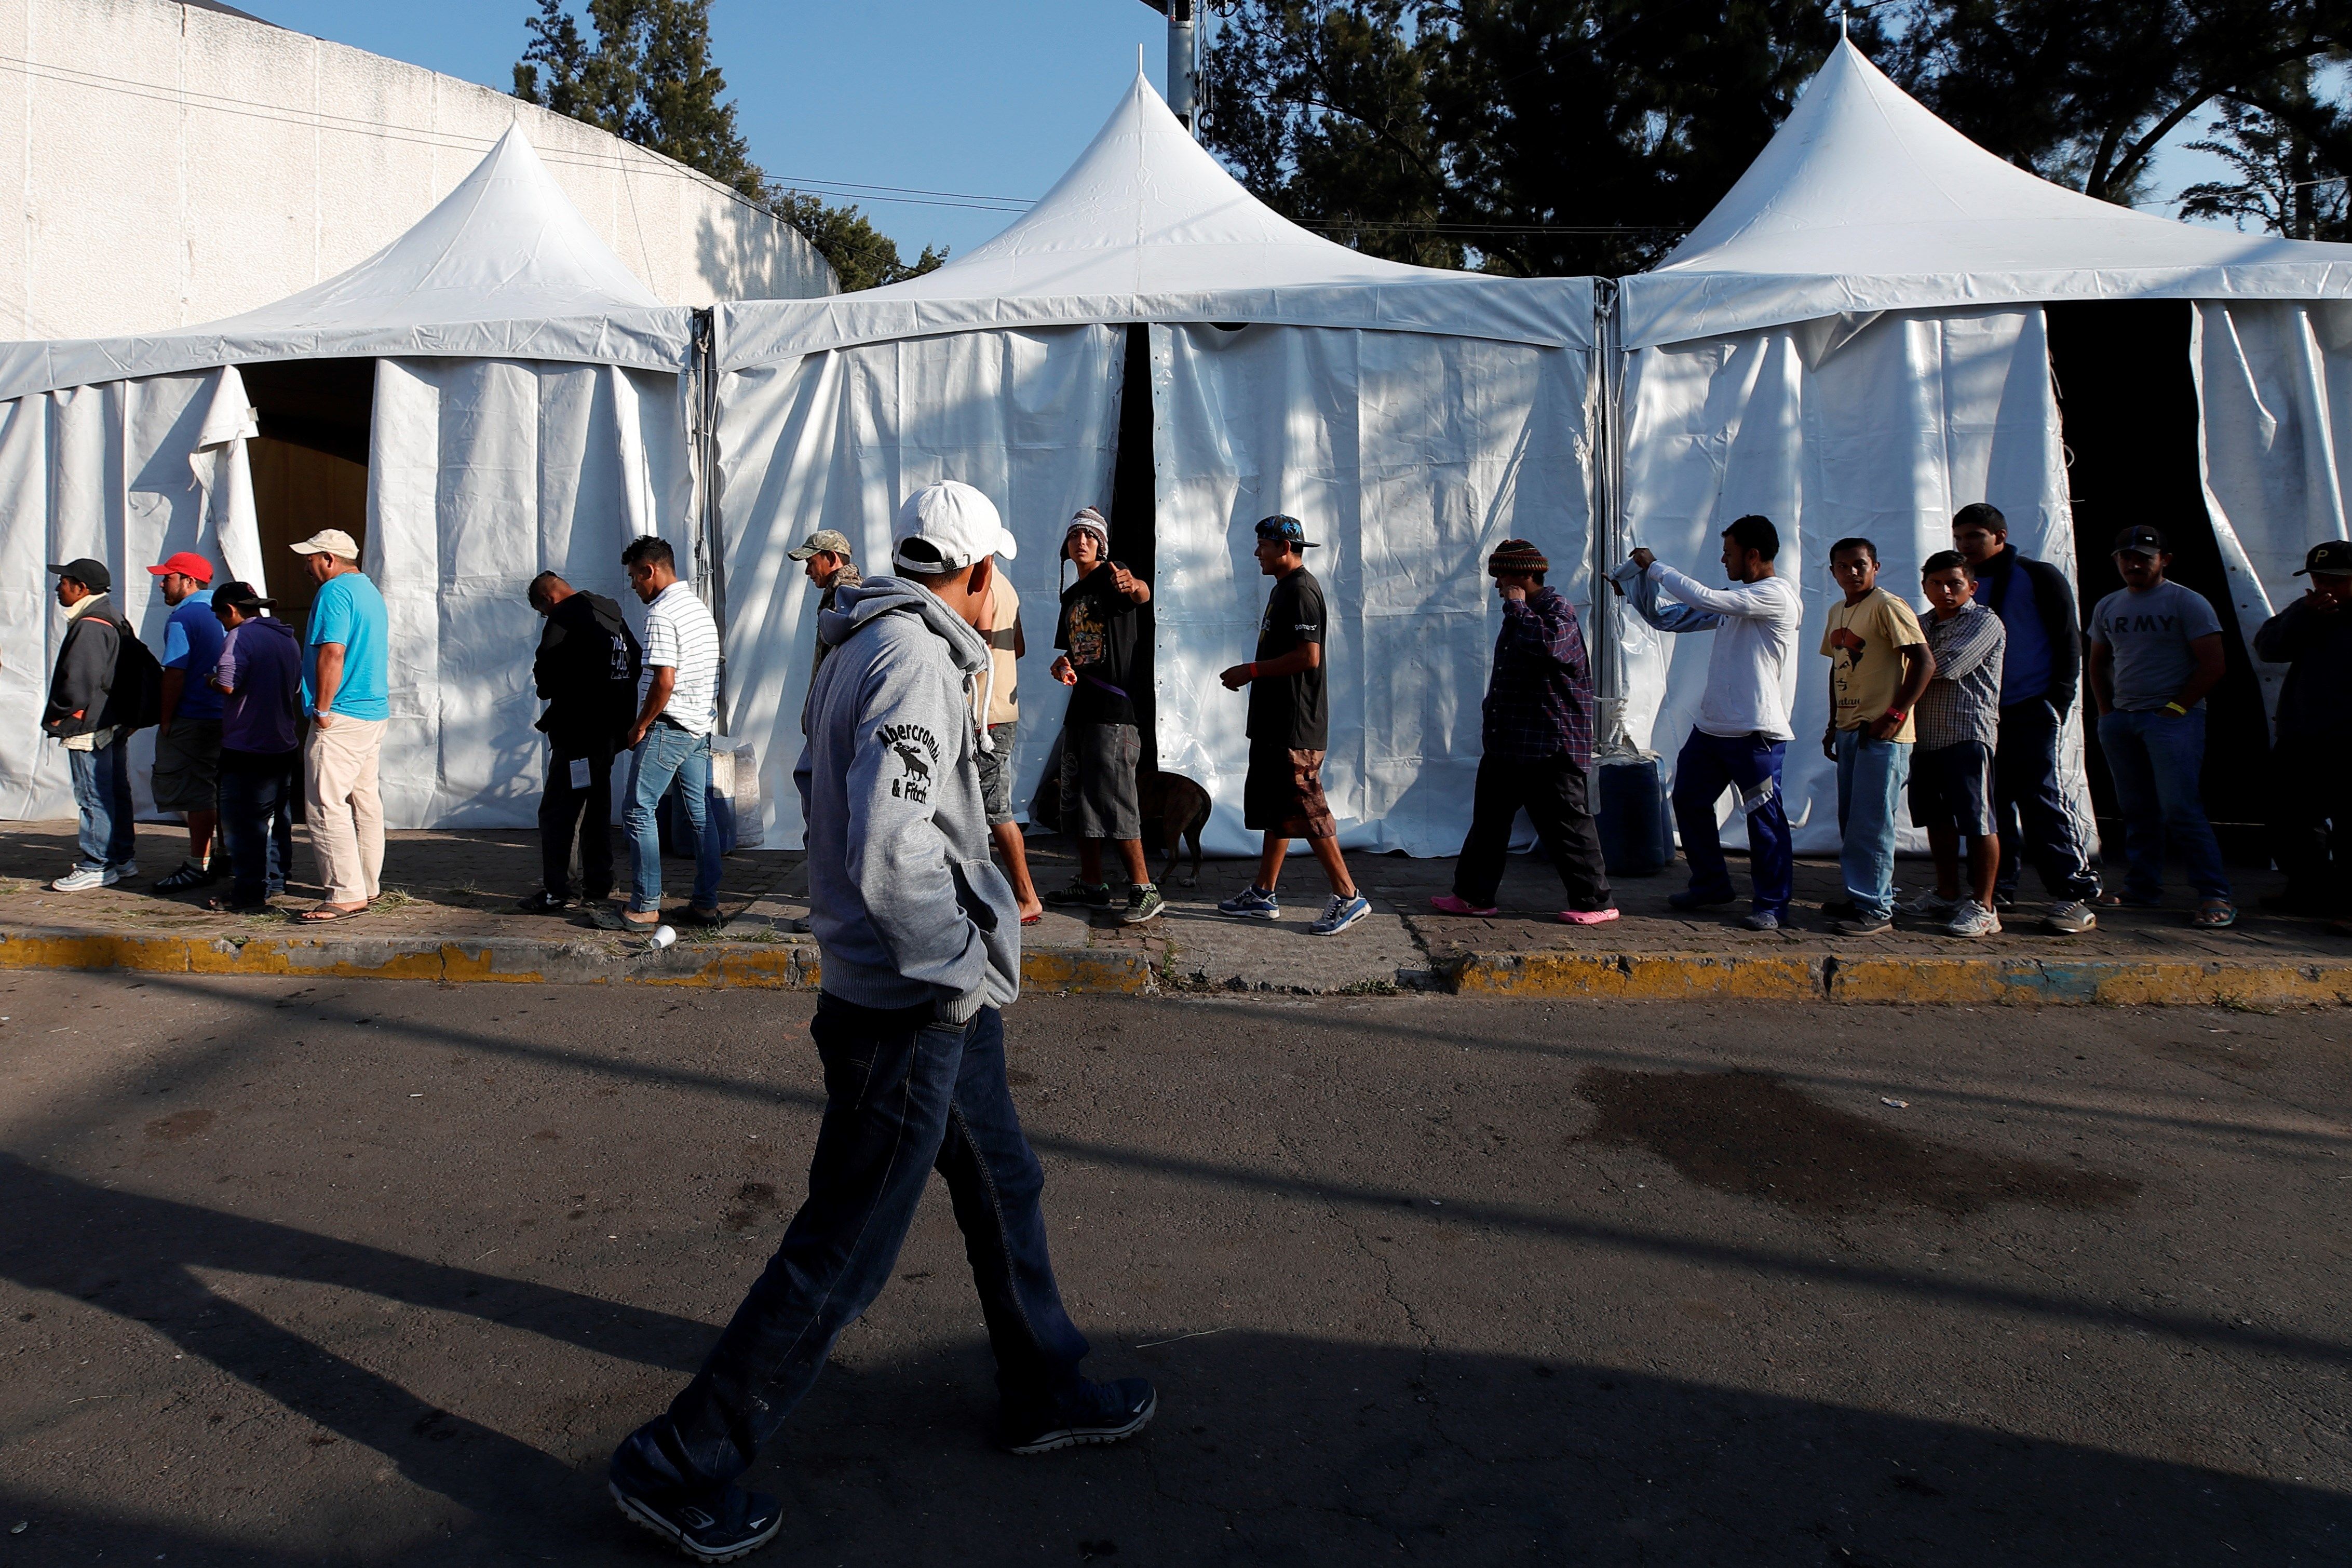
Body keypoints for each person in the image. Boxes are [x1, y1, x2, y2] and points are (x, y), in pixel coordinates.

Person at [605, 480, 1152, 1563]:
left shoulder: (863, 639)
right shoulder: (909, 659)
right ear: (982, 574)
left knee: (1004, 1183)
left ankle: (1046, 1382)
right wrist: (950, 961)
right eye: (1001, 574)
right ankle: (680, 1458)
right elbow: (894, 843)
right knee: (844, 1250)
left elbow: (826, 781)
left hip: (934, 992)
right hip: (912, 1002)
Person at [1619, 517, 1805, 930]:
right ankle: (1711, 884)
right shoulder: (1734, 601)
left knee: (1765, 819)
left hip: (1755, 733)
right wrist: (1636, 588)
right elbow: (1669, 618)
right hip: (1712, 729)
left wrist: (1656, 567)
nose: (1724, 560)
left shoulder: (1775, 596)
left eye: (1729, 553)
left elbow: (1701, 596)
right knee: (1688, 801)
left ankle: (1772, 905)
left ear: (1753, 556)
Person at [1431, 538, 1616, 925]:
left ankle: (1596, 903)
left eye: (1503, 577)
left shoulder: (1556, 610)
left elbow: (1549, 646)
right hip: (1510, 743)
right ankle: (1473, 896)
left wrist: (1517, 607)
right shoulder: (1524, 614)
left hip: (1550, 745)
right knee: (1489, 823)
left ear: (1525, 574)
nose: (1498, 586)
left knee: (1567, 824)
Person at [1216, 515, 1371, 937]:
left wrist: (1251, 670)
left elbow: (1309, 657)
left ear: (1285, 547)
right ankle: (1263, 893)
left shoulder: (1302, 590)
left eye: (1263, 545)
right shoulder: (1283, 589)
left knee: (1308, 807)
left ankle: (1348, 894)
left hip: (1296, 726)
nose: (1256, 553)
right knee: (1278, 809)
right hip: (1274, 723)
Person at [1950, 503, 2100, 934]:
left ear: (2000, 535)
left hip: (2031, 706)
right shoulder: (1964, 584)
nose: (1966, 546)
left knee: (2041, 797)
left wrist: (2059, 698)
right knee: (1989, 805)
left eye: (1975, 536)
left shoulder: (2038, 576)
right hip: (1980, 713)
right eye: (1960, 538)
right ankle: (1998, 889)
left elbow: (2066, 639)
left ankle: (2073, 892)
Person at [2086, 524, 2234, 927]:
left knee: (2180, 808)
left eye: (2143, 558)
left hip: (2171, 721)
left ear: (2164, 560)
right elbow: (2098, 661)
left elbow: (2214, 664)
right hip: (2122, 720)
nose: (2133, 564)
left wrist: (2175, 709)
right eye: (2125, 557)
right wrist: (2107, 711)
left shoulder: (2188, 602)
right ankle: (2143, 887)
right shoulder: (2109, 605)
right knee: (2136, 810)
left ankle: (2213, 894)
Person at [598, 535, 724, 932]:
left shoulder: (661, 614)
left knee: (638, 810)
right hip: (698, 725)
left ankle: (645, 906)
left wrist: (640, 725)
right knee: (700, 816)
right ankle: (706, 905)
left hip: (669, 726)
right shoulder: (698, 608)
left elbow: (664, 681)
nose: (634, 586)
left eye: (636, 577)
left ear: (650, 570)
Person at [1043, 507, 1160, 924]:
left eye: (1091, 536)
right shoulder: (1071, 596)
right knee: (1076, 797)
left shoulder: (1114, 575)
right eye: (1076, 535)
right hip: (1082, 710)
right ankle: (1092, 885)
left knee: (1117, 799)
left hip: (1114, 712)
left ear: (1102, 545)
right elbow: (1071, 652)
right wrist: (1063, 666)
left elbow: (1139, 594)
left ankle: (1145, 889)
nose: (1082, 542)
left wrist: (1137, 584)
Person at [1819, 538, 1935, 936]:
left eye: (1860, 564)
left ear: (1876, 567)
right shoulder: (1838, 612)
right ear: (1832, 571)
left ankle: (1877, 907)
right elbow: (1838, 672)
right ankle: (1859, 894)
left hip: (1883, 732)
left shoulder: (1888, 605)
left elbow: (1924, 662)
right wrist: (1834, 724)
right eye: (1843, 566)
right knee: (1852, 821)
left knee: (1873, 822)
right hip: (1852, 728)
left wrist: (1895, 714)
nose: (1852, 572)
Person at [523, 572, 641, 916]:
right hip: (606, 735)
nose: (547, 619)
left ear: (549, 600)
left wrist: (555, 690)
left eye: (543, 613)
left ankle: (558, 890)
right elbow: (635, 660)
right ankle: (599, 883)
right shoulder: (611, 615)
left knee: (560, 811)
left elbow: (546, 666)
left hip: (577, 735)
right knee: (596, 807)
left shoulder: (566, 615)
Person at [1902, 551, 2007, 937]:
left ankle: (1985, 906)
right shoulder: (1921, 622)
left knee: (1978, 822)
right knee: (1937, 819)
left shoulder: (1984, 621)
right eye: (1936, 584)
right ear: (1925, 586)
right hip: (1925, 737)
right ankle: (1947, 894)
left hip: (1967, 735)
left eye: (1954, 584)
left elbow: (1943, 665)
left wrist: (1908, 664)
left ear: (1971, 587)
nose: (1945, 591)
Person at [292, 529, 389, 923]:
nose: (307, 565)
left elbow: (333, 651)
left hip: (342, 715)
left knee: (325, 803)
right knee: (365, 802)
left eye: (311, 557)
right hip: (371, 712)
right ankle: (367, 886)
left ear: (330, 559)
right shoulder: (369, 590)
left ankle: (345, 893)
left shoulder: (334, 592)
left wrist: (323, 708)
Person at [2252, 540, 2352, 917]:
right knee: (2288, 820)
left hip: (2347, 740)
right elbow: (2267, 646)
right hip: (2303, 735)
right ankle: (2309, 889)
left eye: (2336, 580)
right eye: (2318, 578)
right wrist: (2304, 615)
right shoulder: (2310, 612)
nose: (2325, 586)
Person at [205, 581, 301, 912]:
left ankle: (248, 892)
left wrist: (211, 680)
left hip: (247, 746)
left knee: (244, 822)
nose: (221, 623)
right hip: (283, 742)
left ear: (230, 611)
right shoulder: (285, 637)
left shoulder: (238, 636)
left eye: (220, 616)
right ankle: (275, 880)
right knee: (277, 817)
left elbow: (229, 685)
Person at [41, 558, 136, 890]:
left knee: (93, 794)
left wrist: (59, 713)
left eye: (64, 582)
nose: (58, 587)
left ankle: (98, 863)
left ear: (82, 588)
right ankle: (122, 858)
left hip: (88, 725)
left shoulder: (91, 624)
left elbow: (78, 683)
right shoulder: (112, 617)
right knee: (114, 791)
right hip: (109, 720)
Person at [146, 551, 226, 892]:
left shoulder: (183, 618)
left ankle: (198, 863)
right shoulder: (226, 612)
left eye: (168, 576)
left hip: (194, 716)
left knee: (197, 794)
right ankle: (224, 856)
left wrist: (165, 720)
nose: (162, 582)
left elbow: (174, 675)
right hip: (228, 717)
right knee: (222, 790)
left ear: (189, 581)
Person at [972, 552, 1042, 923]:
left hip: (986, 716)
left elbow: (979, 644)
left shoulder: (982, 586)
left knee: (996, 809)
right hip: (1001, 709)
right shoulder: (1007, 587)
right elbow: (1020, 647)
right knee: (988, 806)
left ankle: (1026, 898)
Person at [788, 529, 861, 682]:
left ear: (832, 558)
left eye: (811, 562)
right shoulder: (839, 595)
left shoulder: (848, 597)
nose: (808, 571)